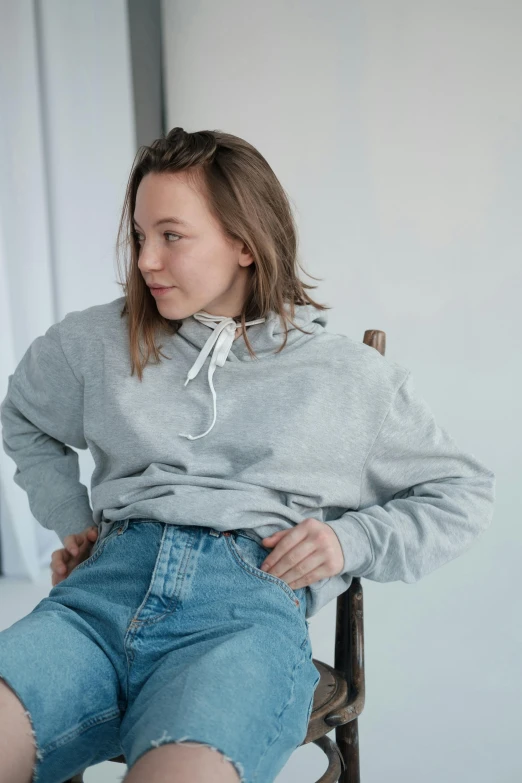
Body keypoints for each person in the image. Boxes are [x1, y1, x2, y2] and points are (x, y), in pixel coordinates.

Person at [0, 128, 496, 783]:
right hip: (98, 601)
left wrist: (352, 540)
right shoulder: (98, 340)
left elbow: (462, 490)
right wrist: (75, 517)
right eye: (141, 234)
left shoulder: (343, 374)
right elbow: (25, 418)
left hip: (241, 622)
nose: (147, 259)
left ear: (243, 242)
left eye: (171, 235)